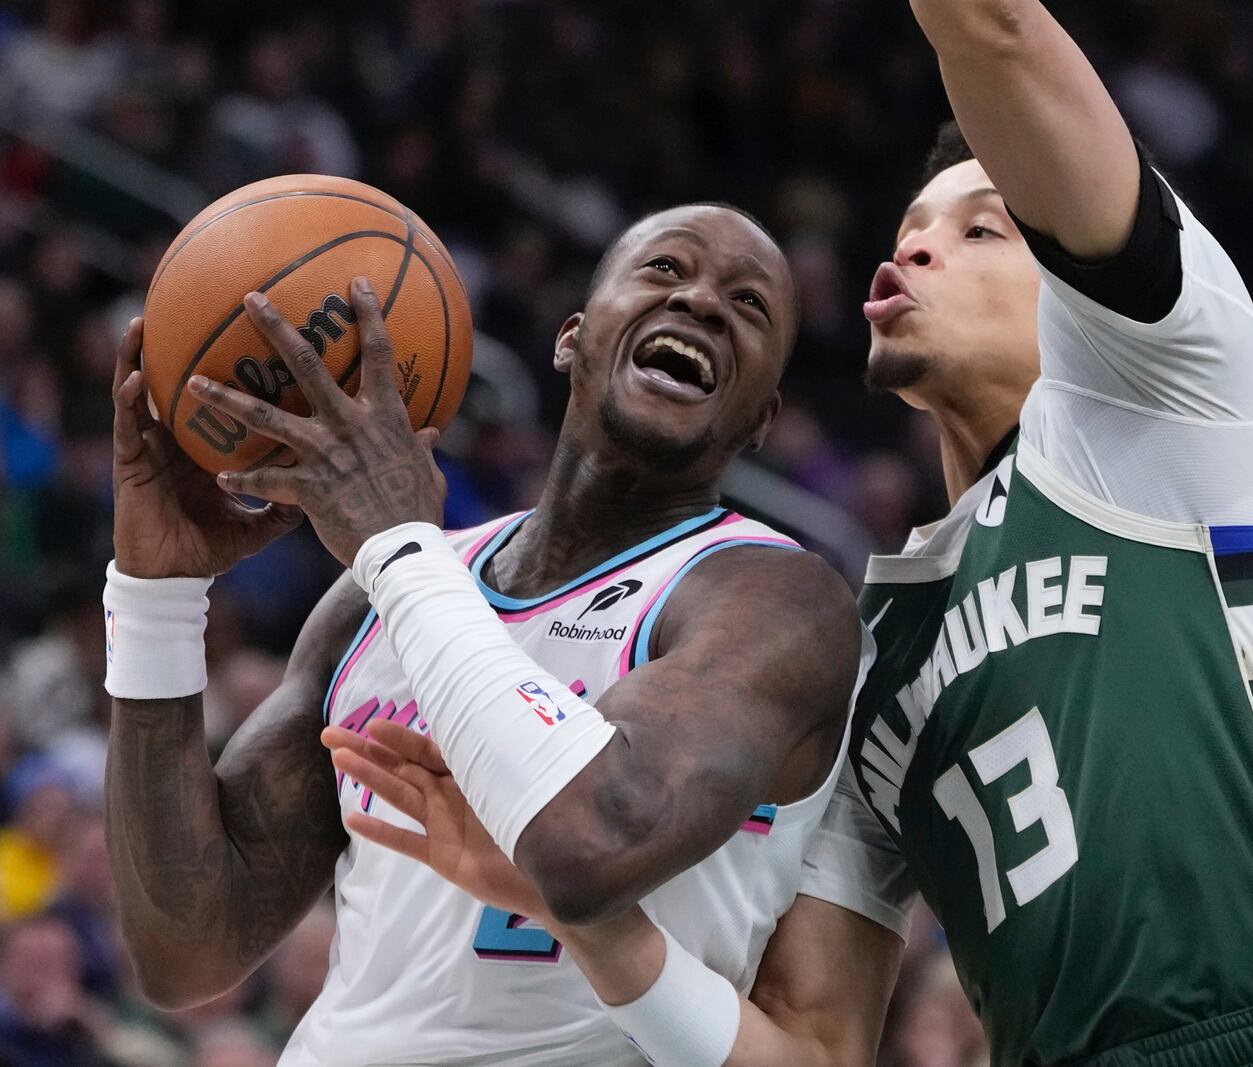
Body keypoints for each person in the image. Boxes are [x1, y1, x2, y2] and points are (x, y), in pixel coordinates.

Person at [334, 0, 1253, 1063]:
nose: (916, 247)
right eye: (912, 228)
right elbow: (814, 1046)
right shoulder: (866, 648)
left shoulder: (1173, 402)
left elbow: (996, 29)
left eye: (985, 229)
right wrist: (587, 922)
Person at [102, 203, 891, 1066]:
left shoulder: (775, 598)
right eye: (666, 269)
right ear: (572, 337)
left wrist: (400, 547)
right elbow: (187, 946)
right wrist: (158, 597)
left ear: (761, 418)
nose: (702, 301)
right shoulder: (380, 597)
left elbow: (594, 841)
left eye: (749, 305)